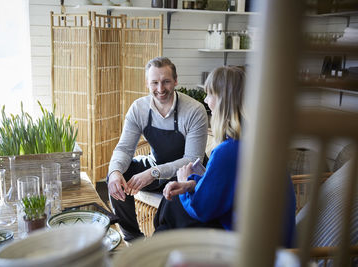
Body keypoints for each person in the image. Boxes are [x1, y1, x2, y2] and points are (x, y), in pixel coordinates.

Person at [154, 66, 296, 248]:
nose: (205, 100)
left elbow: (202, 209)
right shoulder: (262, 141)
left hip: (252, 248)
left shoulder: (230, 150)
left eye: (209, 94)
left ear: (223, 99)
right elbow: (232, 188)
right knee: (172, 211)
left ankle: (155, 250)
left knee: (172, 208)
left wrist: (185, 179)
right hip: (273, 239)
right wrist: (192, 184)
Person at [107, 57, 209, 241]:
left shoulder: (194, 110)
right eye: (154, 82)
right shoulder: (138, 108)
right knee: (117, 175)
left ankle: (160, 246)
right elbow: (124, 148)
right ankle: (133, 238)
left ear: (176, 81)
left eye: (166, 82)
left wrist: (153, 173)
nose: (160, 89)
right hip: (156, 162)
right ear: (147, 83)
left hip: (187, 172)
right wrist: (115, 172)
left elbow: (192, 159)